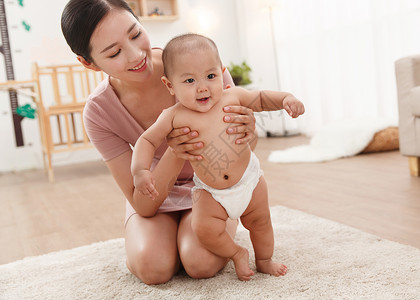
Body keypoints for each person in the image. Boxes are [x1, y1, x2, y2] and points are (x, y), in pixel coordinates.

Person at [61, 0, 259, 285]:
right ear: (88, 63)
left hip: (211, 186)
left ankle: (194, 235)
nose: (135, 55)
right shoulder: (99, 111)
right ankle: (168, 240)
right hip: (156, 189)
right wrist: (176, 152)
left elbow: (245, 151)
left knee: (200, 262)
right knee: (152, 268)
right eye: (114, 52)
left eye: (135, 34)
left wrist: (248, 132)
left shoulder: (196, 62)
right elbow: (143, 204)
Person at [131, 33, 305, 281]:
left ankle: (265, 259)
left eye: (210, 76)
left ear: (221, 72)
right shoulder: (172, 116)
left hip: (249, 181)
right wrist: (140, 170)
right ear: (170, 85)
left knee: (261, 222)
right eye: (190, 80)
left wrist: (287, 98)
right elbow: (146, 141)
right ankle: (236, 253)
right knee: (204, 229)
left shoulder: (232, 96)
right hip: (211, 192)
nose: (202, 87)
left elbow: (263, 98)